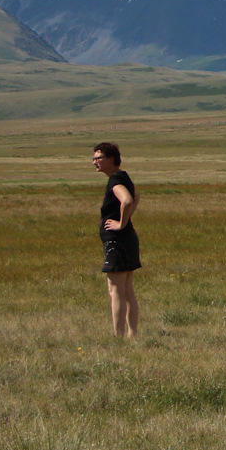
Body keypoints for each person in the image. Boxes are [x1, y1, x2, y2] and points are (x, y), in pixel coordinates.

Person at [91, 142, 140, 337]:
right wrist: (126, 221)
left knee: (116, 290)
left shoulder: (115, 181)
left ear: (111, 159)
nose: (94, 162)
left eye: (98, 158)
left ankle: (118, 336)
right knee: (127, 290)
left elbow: (128, 199)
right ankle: (132, 334)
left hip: (117, 242)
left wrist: (121, 223)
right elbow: (137, 196)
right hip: (127, 239)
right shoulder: (123, 176)